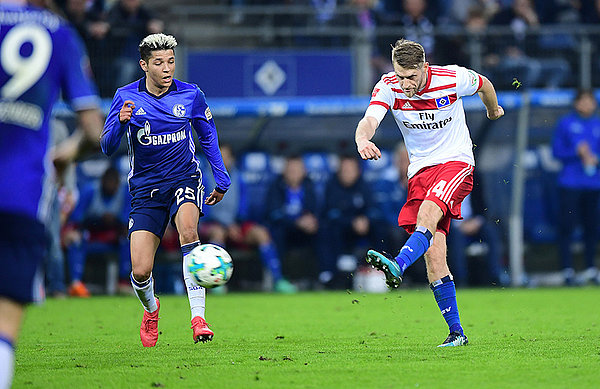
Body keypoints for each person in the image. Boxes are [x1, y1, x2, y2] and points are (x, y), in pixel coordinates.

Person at [356, 38, 504, 347]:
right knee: (434, 256)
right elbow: (369, 120)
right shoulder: (387, 86)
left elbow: (484, 83)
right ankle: (456, 333)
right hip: (420, 171)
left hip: (456, 162)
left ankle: (398, 263)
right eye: (400, 76)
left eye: (411, 76)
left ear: (424, 67)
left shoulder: (450, 78)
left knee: (428, 212)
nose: (406, 83)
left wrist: (493, 110)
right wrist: (362, 141)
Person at [101, 33, 231, 347]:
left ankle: (198, 319)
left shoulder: (191, 94)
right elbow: (106, 146)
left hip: (183, 179)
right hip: (145, 191)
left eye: (171, 61)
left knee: (188, 231)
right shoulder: (125, 96)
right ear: (144, 65)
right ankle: (151, 309)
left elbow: (208, 136)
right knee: (141, 270)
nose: (166, 68)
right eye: (159, 62)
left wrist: (222, 178)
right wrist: (120, 122)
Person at [0, 1, 103, 387]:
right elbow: (94, 131)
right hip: (19, 195)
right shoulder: (59, 34)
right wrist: (67, 155)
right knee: (4, 326)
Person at [202, 144, 297, 293]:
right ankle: (217, 282)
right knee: (217, 233)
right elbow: (204, 210)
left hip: (236, 225)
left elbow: (243, 207)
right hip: (212, 225)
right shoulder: (204, 178)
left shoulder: (239, 177)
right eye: (217, 155)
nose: (221, 160)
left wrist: (237, 223)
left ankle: (278, 280)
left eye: (225, 156)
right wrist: (226, 226)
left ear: (232, 159)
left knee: (261, 233)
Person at [552, 89, 600, 286]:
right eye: (584, 101)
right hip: (570, 184)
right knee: (567, 227)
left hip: (594, 184)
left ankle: (590, 268)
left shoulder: (598, 123)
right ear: (577, 103)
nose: (588, 104)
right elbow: (556, 152)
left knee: (593, 228)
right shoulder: (566, 123)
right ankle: (567, 270)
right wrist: (575, 152)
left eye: (591, 101)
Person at [62, 166, 131, 297]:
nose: (111, 185)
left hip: (112, 235)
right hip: (90, 233)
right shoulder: (90, 191)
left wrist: (115, 222)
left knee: (128, 238)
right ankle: (75, 284)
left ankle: (123, 282)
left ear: (118, 183)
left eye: (114, 183)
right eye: (108, 182)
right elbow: (76, 220)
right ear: (102, 181)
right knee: (76, 239)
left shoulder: (124, 193)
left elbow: (127, 223)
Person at [322, 155, 386, 288]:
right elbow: (330, 213)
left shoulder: (364, 186)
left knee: (382, 228)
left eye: (350, 170)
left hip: (364, 228)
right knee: (327, 229)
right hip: (342, 229)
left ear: (357, 171)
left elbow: (374, 209)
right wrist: (351, 222)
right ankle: (330, 275)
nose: (347, 174)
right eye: (344, 170)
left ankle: (384, 269)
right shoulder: (332, 187)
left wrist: (366, 220)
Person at [265, 155, 322, 286]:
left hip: (306, 230)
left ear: (304, 171)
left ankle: (322, 277)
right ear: (284, 171)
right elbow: (273, 214)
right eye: (291, 171)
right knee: (276, 234)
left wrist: (312, 220)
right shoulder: (276, 186)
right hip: (285, 228)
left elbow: (317, 209)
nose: (294, 174)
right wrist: (296, 221)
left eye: (297, 170)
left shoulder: (309, 186)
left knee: (324, 231)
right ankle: (280, 279)